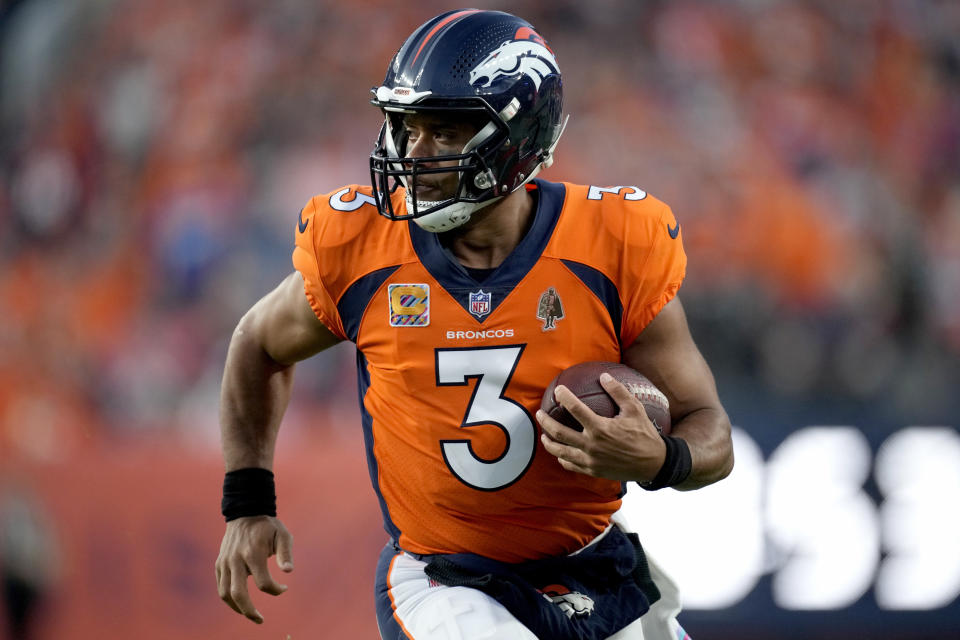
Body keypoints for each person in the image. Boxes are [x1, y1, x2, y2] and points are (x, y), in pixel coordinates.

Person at [215, 9, 733, 639]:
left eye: (447, 132)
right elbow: (257, 345)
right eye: (407, 128)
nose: (415, 153)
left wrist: (663, 458)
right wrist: (247, 504)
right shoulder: (364, 248)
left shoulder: (612, 246)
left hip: (593, 564)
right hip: (445, 578)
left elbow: (711, 432)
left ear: (520, 135)